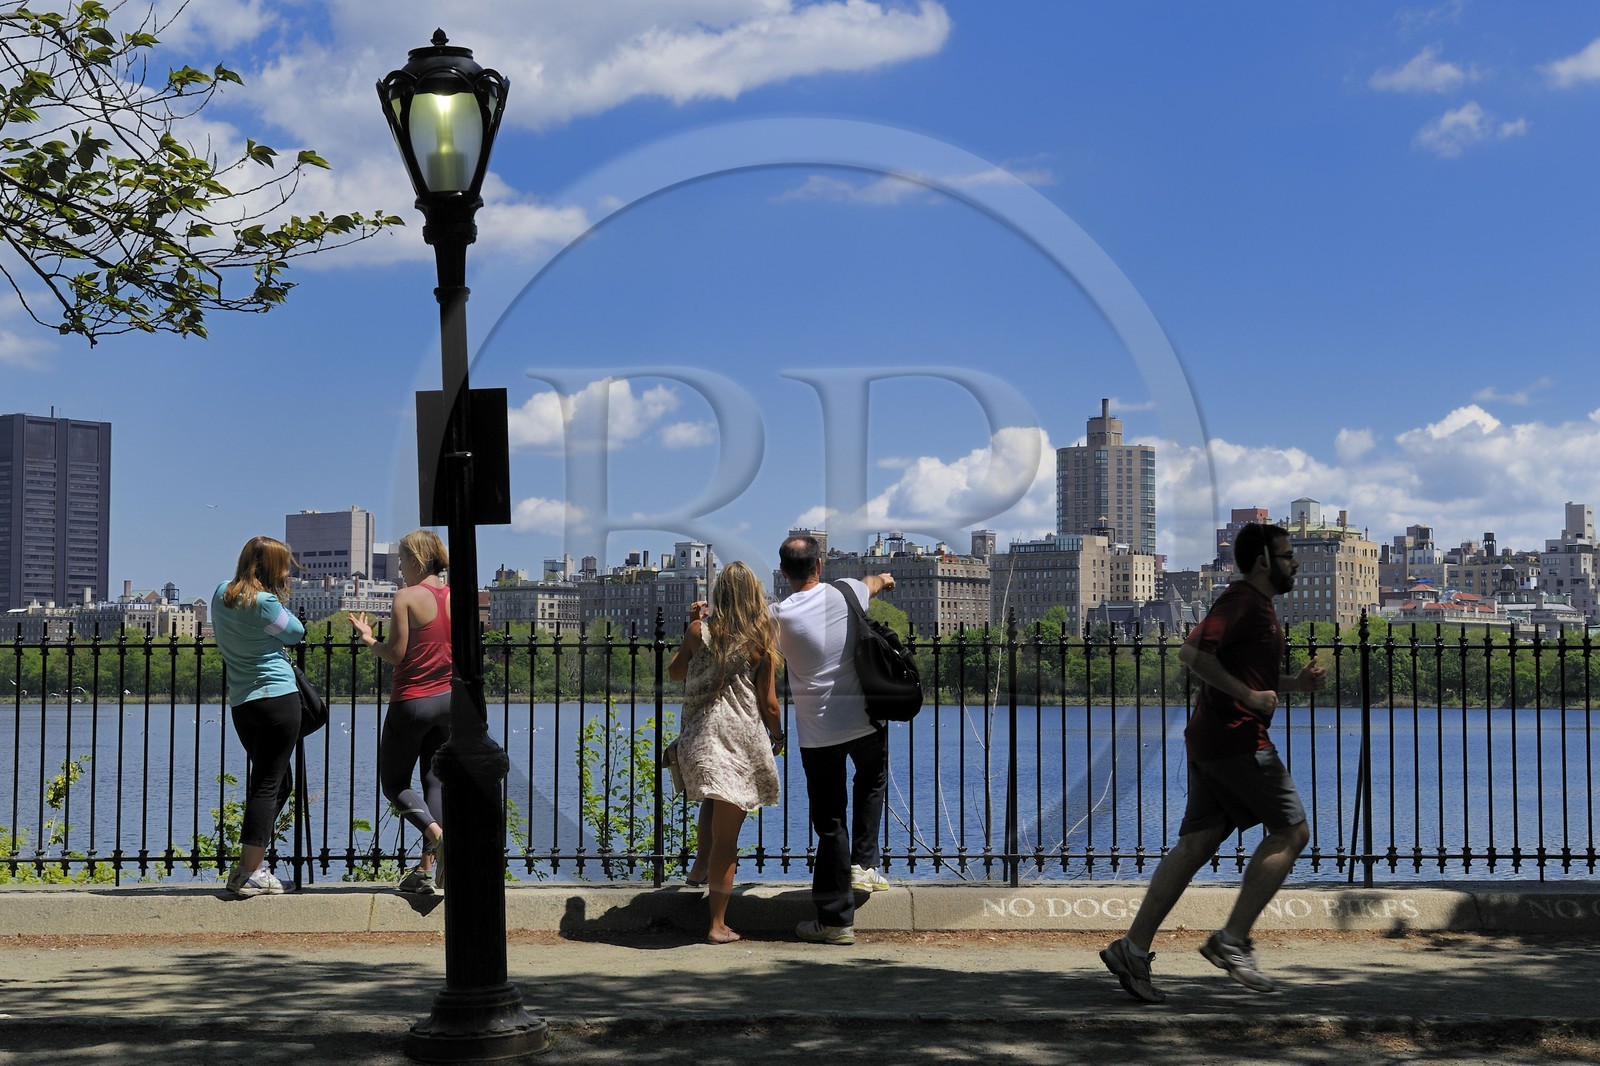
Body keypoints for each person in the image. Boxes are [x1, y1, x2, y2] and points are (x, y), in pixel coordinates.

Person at [1100, 522, 1326, 1002]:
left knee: (1196, 844)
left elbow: (1252, 676)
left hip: (1212, 738)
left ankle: (1131, 950)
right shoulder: (1241, 600)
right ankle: (1232, 942)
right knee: (1292, 831)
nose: (1295, 563)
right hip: (1236, 739)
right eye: (1287, 556)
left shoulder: (1259, 608)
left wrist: (1294, 686)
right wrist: (1248, 696)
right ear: (1263, 561)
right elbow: (1191, 653)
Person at [772, 534, 898, 946]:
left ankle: (835, 921)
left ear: (783, 572)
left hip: (817, 732)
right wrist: (883, 577)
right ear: (819, 566)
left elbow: (746, 642)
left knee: (830, 823)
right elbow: (873, 583)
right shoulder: (847, 592)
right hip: (864, 719)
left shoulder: (779, 617)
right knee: (872, 783)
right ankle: (864, 865)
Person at [667, 561, 784, 944]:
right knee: (728, 840)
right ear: (753, 596)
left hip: (698, 740)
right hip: (736, 743)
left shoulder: (698, 631)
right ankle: (717, 925)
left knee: (715, 804)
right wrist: (778, 736)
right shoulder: (759, 639)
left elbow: (675, 673)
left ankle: (699, 867)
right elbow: (768, 703)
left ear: (719, 595)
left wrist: (691, 628)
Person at [349, 529, 451, 896]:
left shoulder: (406, 597)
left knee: (394, 783)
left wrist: (368, 639)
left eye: (402, 560)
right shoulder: (457, 596)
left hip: (412, 701)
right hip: (448, 702)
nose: (400, 568)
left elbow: (396, 654)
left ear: (417, 560)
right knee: (434, 782)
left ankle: (441, 839)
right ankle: (426, 872)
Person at [211, 535, 306, 898]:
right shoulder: (266, 603)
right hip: (277, 699)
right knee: (268, 785)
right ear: (270, 568)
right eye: (284, 567)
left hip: (242, 703)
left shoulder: (221, 593)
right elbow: (296, 633)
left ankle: (250, 864)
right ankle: (251, 871)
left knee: (277, 783)